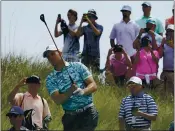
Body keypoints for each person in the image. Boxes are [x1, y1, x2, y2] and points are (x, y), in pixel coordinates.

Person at [43, 45, 98, 131]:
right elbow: (57, 100)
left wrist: (83, 91)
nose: (50, 57)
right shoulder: (50, 78)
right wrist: (70, 91)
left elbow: (93, 85)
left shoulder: (78, 66)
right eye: (48, 56)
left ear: (60, 53)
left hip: (88, 112)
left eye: (53, 54)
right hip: (70, 117)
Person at [158, 24, 174, 94]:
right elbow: (160, 55)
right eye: (168, 31)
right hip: (165, 71)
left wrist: (172, 45)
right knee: (164, 93)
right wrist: (162, 44)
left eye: (171, 31)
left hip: (173, 72)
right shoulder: (164, 44)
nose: (169, 33)